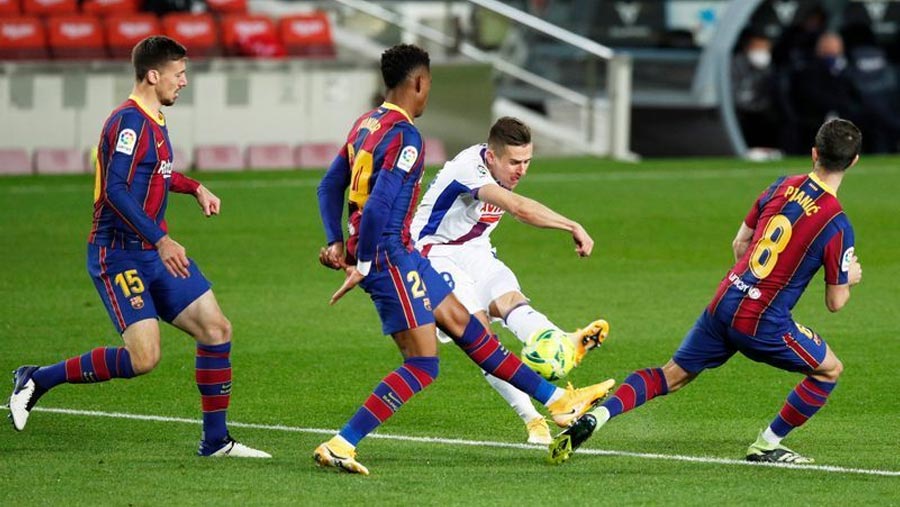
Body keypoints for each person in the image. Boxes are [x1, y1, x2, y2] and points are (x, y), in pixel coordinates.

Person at [315, 43, 614, 475]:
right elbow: (379, 207)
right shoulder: (406, 137)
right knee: (422, 364)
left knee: (473, 334)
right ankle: (342, 443)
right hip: (391, 259)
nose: (429, 91)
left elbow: (328, 186)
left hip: (404, 255)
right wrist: (360, 263)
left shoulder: (366, 124)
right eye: (430, 83)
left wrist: (334, 239)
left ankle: (559, 403)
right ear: (418, 82)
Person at [7, 36, 269, 459]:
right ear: (153, 75)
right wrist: (162, 239)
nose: (184, 82)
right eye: (179, 74)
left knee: (217, 329)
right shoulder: (128, 122)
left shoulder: (155, 118)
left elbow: (159, 172)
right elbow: (115, 189)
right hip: (119, 253)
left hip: (149, 250)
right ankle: (37, 378)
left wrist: (194, 187)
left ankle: (216, 442)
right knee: (143, 358)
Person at [548, 118, 863, 465]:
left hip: (725, 300)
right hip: (762, 320)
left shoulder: (781, 186)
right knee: (829, 369)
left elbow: (740, 243)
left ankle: (598, 416)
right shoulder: (836, 223)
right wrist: (850, 276)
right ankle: (766, 444)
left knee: (670, 375)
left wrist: (751, 284)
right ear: (854, 161)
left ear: (814, 153)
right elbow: (835, 302)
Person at [409, 117, 609, 445]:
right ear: (491, 157)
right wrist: (572, 225)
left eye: (527, 161)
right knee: (481, 337)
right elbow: (518, 208)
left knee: (510, 299)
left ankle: (560, 343)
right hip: (433, 253)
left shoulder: (501, 169)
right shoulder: (469, 169)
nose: (521, 171)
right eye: (514, 162)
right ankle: (534, 419)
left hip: (474, 248)